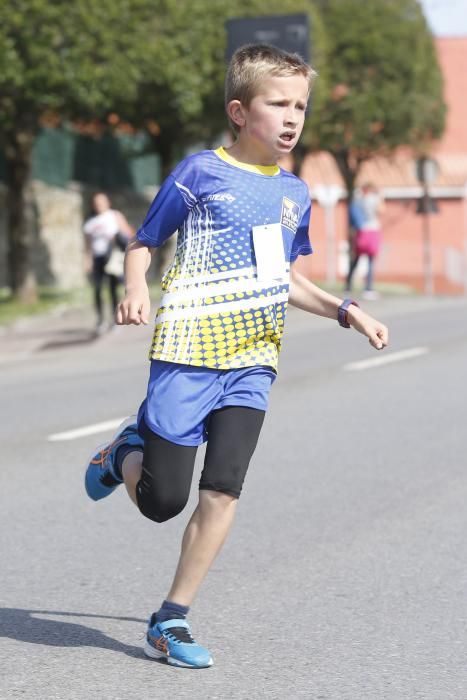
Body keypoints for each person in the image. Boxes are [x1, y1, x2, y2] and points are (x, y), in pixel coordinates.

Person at [84, 44, 389, 669]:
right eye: (278, 103)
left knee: (223, 489)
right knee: (164, 501)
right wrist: (135, 286)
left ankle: (171, 619)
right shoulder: (200, 174)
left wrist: (344, 309)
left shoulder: (296, 194)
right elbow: (143, 243)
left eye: (300, 105)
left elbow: (283, 277)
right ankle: (124, 452)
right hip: (188, 354)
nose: (292, 116)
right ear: (239, 110)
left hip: (252, 361)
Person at [83, 192, 133, 332]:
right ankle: (100, 320)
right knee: (97, 289)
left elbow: (128, 233)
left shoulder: (114, 216)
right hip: (97, 258)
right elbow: (87, 245)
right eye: (96, 202)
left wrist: (118, 238)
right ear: (93, 205)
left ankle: (115, 319)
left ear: (107, 202)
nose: (99, 205)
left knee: (112, 289)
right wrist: (87, 261)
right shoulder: (90, 223)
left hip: (111, 257)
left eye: (102, 202)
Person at [345, 182, 385, 299]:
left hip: (360, 232)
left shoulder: (357, 201)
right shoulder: (374, 199)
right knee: (371, 260)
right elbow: (382, 210)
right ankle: (368, 288)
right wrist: (381, 197)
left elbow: (352, 217)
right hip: (372, 231)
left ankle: (348, 287)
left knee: (356, 259)